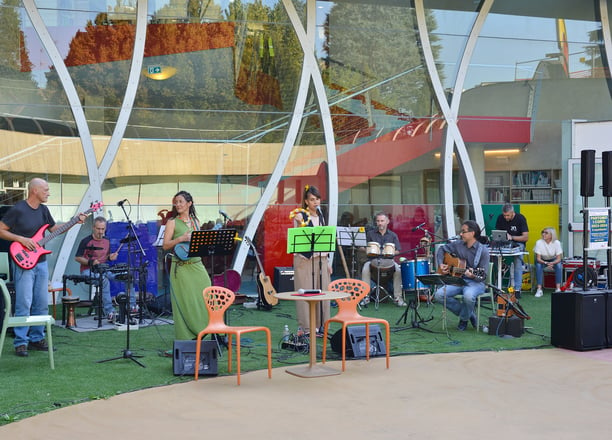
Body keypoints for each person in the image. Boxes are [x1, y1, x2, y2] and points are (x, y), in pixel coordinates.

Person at [0, 178, 86, 357]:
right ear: (35, 191)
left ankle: (37, 339)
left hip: (40, 263)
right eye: (45, 189)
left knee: (41, 303)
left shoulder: (44, 210)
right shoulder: (18, 209)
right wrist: (21, 239)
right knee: (24, 303)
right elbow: (1, 229)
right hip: (22, 262)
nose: (48, 192)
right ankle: (20, 343)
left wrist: (75, 221)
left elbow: (54, 229)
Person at [162, 190, 211, 340]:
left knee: (207, 295)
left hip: (197, 264)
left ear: (189, 203)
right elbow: (165, 246)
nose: (177, 204)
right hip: (181, 268)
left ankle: (207, 331)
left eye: (180, 202)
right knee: (185, 302)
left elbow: (200, 244)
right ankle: (187, 336)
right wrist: (181, 238)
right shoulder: (172, 222)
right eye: (176, 202)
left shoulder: (196, 221)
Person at [434, 220, 490, 331]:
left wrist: (473, 275)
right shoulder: (458, 244)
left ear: (472, 233)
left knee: (468, 296)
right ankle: (469, 314)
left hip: (475, 283)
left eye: (463, 232)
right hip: (457, 280)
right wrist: (441, 264)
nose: (461, 234)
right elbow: (441, 249)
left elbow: (483, 275)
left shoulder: (483, 251)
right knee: (438, 295)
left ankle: (464, 319)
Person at [291, 185, 332, 336]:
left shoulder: (321, 216)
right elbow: (297, 239)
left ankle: (322, 325)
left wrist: (327, 262)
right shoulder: (301, 216)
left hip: (321, 259)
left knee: (322, 292)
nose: (316, 202)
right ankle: (306, 327)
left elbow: (324, 241)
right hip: (304, 259)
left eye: (318, 199)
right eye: (312, 200)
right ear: (306, 202)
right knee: (305, 293)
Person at [74, 216, 121, 322]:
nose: (100, 231)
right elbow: (77, 257)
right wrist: (91, 262)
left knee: (125, 276)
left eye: (103, 229)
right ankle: (110, 312)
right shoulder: (85, 241)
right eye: (98, 229)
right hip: (87, 271)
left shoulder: (107, 240)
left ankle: (132, 308)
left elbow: (107, 256)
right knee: (104, 281)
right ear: (93, 228)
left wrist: (111, 257)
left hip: (103, 269)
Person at [361, 211, 405, 306]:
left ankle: (398, 298)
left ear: (387, 221)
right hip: (373, 260)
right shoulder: (370, 234)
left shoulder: (393, 235)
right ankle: (366, 297)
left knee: (398, 270)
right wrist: (366, 250)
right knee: (365, 269)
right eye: (378, 221)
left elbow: (398, 250)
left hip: (389, 261)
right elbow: (363, 247)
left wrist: (391, 252)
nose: (380, 223)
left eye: (382, 221)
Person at [495, 203, 529, 297]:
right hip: (503, 243)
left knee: (517, 261)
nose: (506, 217)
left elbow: (525, 237)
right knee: (493, 256)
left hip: (518, 243)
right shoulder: (500, 218)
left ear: (513, 213)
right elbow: (498, 233)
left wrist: (512, 237)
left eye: (508, 215)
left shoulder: (520, 218)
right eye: (504, 215)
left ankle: (517, 289)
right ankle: (496, 286)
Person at [533, 227, 563, 297]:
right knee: (538, 266)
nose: (543, 234)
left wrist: (552, 263)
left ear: (551, 235)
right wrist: (546, 263)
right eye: (543, 232)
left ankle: (558, 288)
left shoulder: (557, 243)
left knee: (559, 266)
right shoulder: (539, 242)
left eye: (546, 233)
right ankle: (539, 289)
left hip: (553, 260)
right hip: (542, 260)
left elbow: (559, 259)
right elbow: (538, 258)